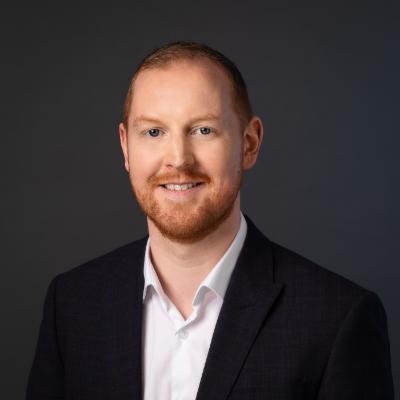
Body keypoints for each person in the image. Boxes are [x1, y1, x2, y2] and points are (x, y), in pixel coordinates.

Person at [26, 41, 394, 400]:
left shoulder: (337, 318)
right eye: (154, 132)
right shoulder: (72, 304)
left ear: (249, 144)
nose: (178, 160)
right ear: (126, 147)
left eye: (203, 130)